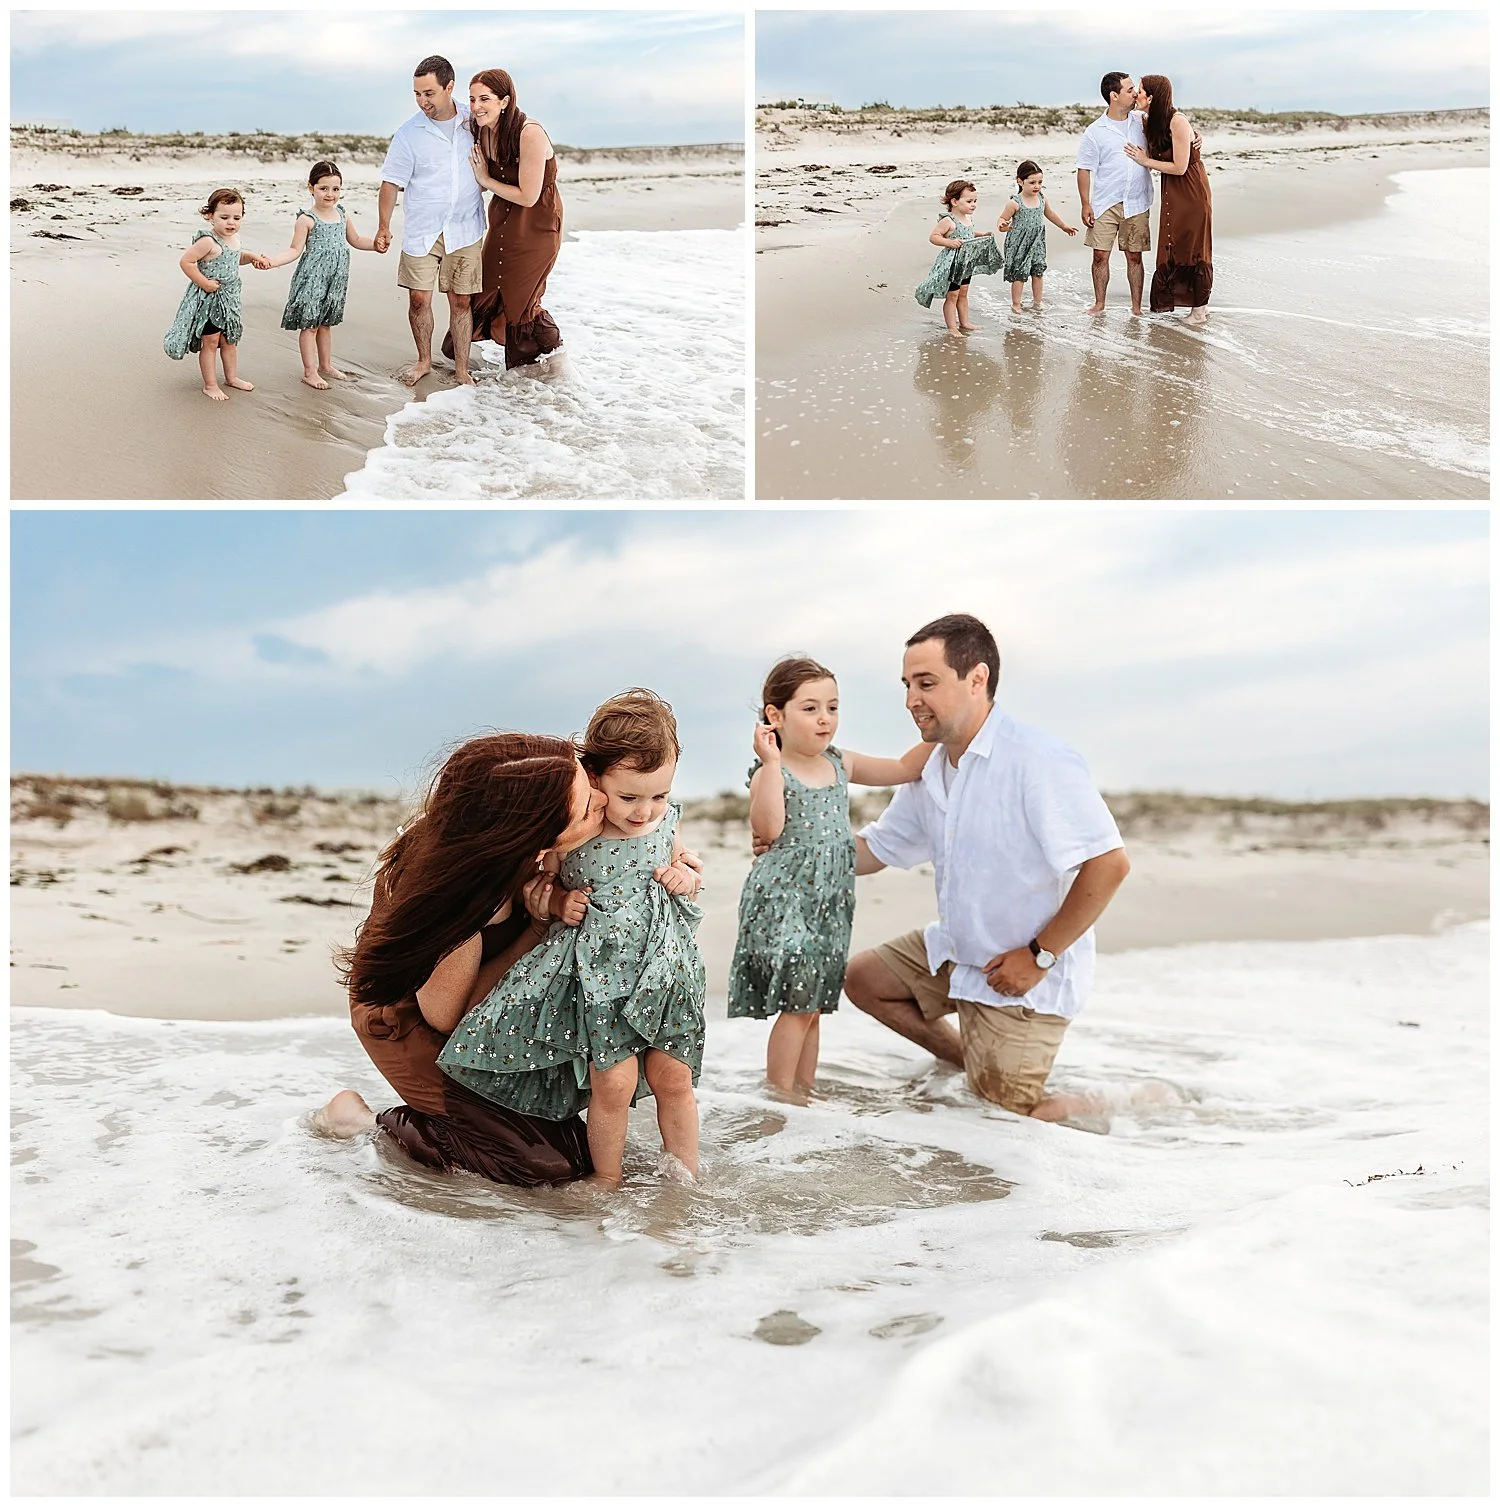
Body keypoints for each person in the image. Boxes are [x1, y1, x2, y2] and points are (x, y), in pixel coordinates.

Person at [843, 614, 1131, 1123]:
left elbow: (1109, 863)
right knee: (863, 979)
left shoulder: (1038, 760)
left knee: (1013, 1120)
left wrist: (1039, 955)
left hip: (1026, 975)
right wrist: (795, 845)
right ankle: (971, 1062)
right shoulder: (930, 766)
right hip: (960, 950)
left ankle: (1115, 1101)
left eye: (926, 683)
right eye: (908, 685)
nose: (912, 699)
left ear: (977, 679)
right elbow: (874, 851)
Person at [439, 690, 706, 1189]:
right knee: (614, 1080)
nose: (645, 811)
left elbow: (687, 871)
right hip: (598, 975)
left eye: (659, 796)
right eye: (630, 796)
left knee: (675, 1077)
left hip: (664, 970)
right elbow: (543, 885)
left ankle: (685, 1181)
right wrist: (560, 904)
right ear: (596, 778)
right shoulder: (578, 833)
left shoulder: (666, 823)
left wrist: (686, 880)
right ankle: (607, 1179)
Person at [314, 731, 605, 1186]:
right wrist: (534, 929)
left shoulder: (513, 838)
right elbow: (449, 1017)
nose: (604, 799)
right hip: (408, 1017)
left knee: (580, 1149)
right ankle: (361, 1123)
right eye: (588, 806)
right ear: (533, 836)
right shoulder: (464, 894)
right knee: (542, 1168)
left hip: (473, 999)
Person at [727, 656, 927, 1097]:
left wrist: (946, 731)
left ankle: (804, 1093)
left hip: (829, 903)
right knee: (799, 1005)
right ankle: (780, 1097)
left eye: (832, 708)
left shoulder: (841, 763)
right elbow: (769, 829)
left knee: (813, 1005)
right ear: (775, 716)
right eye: (811, 708)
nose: (825, 719)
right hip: (784, 901)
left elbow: (902, 768)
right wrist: (772, 763)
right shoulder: (769, 773)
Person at [373, 55, 487, 387]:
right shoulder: (409, 133)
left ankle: (462, 370)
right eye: (417, 94)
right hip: (423, 229)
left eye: (429, 93)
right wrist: (383, 226)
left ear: (449, 87)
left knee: (461, 300)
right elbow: (390, 182)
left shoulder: (473, 122)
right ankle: (424, 360)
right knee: (419, 298)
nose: (423, 101)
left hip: (466, 227)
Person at [448, 68, 565, 370]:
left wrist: (485, 179)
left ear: (505, 100)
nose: (476, 107)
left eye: (484, 99)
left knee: (521, 301)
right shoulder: (482, 128)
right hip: (502, 223)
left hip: (536, 227)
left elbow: (528, 196)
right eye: (472, 99)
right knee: (487, 289)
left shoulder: (530, 133)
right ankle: (524, 371)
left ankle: (553, 367)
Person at [260, 161, 384, 389]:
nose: (330, 194)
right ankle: (310, 371)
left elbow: (355, 240)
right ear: (311, 188)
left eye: (335, 189)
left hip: (335, 279)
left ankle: (325, 365)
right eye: (323, 188)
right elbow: (294, 250)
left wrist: (375, 245)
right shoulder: (307, 219)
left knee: (326, 323)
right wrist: (272, 261)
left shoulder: (342, 214)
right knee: (310, 325)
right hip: (313, 279)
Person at [163, 188, 271, 400]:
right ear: (210, 216)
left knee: (230, 340)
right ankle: (210, 385)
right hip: (210, 301)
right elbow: (186, 262)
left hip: (229, 300)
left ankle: (231, 378)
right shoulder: (207, 242)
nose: (231, 222)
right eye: (224, 217)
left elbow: (236, 257)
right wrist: (204, 283)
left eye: (236, 218)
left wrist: (254, 257)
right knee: (211, 342)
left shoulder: (234, 239)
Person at [1125, 75, 1213, 325]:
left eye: (1139, 91)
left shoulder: (1177, 121)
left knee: (1193, 244)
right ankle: (1190, 305)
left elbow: (1180, 167)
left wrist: (1145, 161)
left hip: (1190, 190)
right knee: (1175, 242)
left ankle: (1199, 310)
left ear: (1151, 97)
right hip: (1172, 191)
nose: (1136, 95)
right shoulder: (1149, 120)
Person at [1074, 71, 1153, 316]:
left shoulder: (1142, 121)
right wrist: (1085, 204)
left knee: (1134, 257)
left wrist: (1195, 137)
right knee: (1100, 256)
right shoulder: (1095, 131)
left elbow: (1173, 128)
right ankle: (1099, 304)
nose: (1135, 93)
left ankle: (1137, 308)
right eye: (1130, 90)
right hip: (1105, 202)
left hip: (1137, 201)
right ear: (1114, 96)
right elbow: (1084, 170)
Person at [915, 180, 1002, 335]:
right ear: (954, 201)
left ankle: (965, 322)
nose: (973, 204)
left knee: (963, 293)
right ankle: (952, 327)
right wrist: (949, 242)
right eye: (969, 201)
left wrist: (982, 234)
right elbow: (934, 237)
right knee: (953, 295)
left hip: (966, 262)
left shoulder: (967, 218)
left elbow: (969, 233)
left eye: (975, 201)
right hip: (953, 263)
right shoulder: (948, 220)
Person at [995, 159, 1078, 312]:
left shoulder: (1042, 198)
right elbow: (1002, 220)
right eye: (1032, 182)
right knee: (1020, 274)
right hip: (1019, 242)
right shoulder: (1015, 203)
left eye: (1040, 182)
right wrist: (1003, 225)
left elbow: (1050, 214)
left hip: (1037, 241)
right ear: (1020, 181)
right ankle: (1016, 304)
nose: (1037, 186)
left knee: (1038, 271)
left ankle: (1037, 302)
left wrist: (1064, 226)